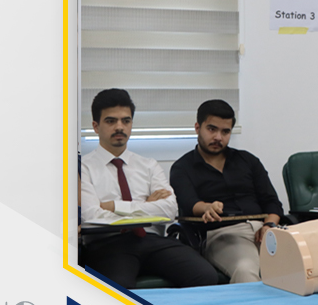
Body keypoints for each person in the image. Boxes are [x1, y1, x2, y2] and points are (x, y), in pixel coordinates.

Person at [80, 89, 219, 289]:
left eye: (126, 121)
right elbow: (90, 216)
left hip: (152, 240)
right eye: (111, 121)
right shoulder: (83, 168)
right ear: (95, 126)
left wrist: (114, 206)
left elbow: (169, 210)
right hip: (108, 245)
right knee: (120, 288)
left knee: (205, 276)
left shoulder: (148, 165)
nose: (119, 127)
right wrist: (146, 206)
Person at [169, 100, 286, 283]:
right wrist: (207, 208)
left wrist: (269, 226)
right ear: (197, 128)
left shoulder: (248, 161)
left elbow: (272, 202)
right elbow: (189, 203)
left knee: (305, 263)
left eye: (225, 132)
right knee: (246, 269)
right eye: (212, 129)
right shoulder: (182, 168)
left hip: (265, 230)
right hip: (224, 234)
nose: (218, 137)